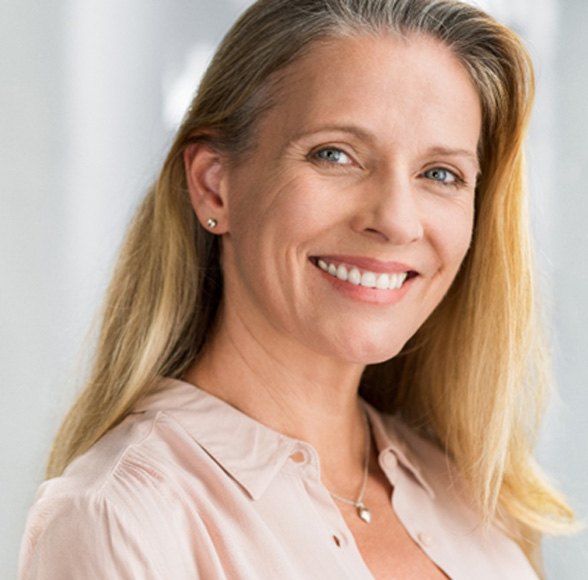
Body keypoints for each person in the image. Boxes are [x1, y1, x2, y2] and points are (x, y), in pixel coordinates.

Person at [20, 0, 575, 578]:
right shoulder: (121, 521)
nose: (397, 220)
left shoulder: (474, 501)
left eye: (440, 174)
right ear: (215, 187)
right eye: (335, 154)